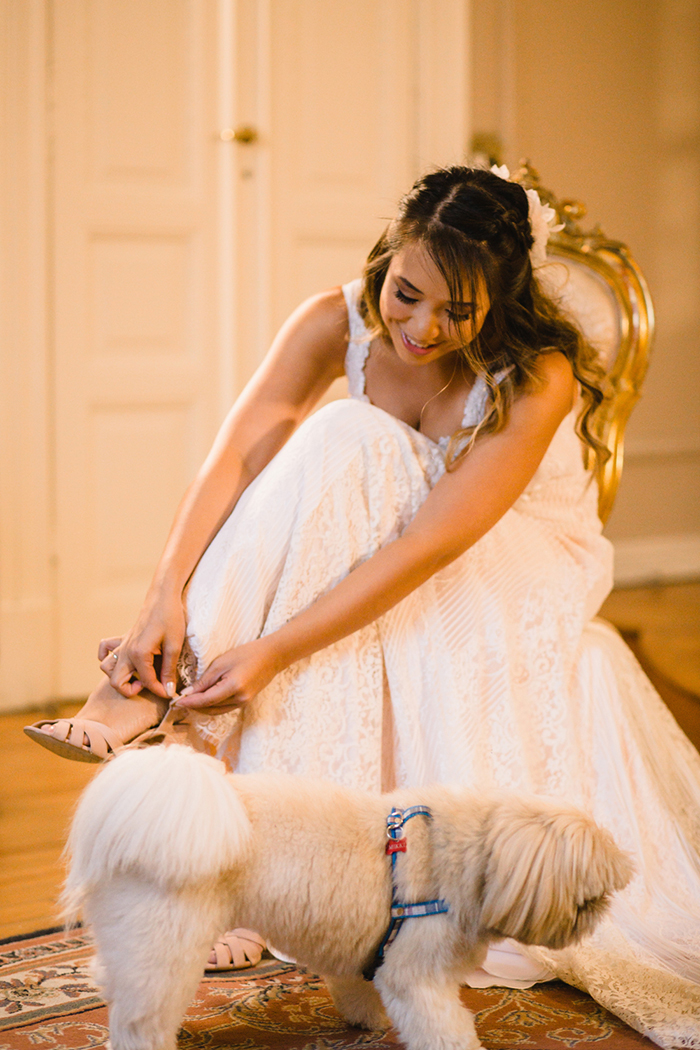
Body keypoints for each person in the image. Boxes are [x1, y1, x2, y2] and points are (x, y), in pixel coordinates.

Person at [26, 166, 700, 1046]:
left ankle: (165, 717)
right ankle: (169, 680)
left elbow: (430, 544)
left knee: (348, 438)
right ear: (386, 256)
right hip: (387, 539)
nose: (420, 330)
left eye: (458, 313)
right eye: (405, 294)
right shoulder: (330, 318)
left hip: (510, 562)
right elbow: (233, 460)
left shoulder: (541, 376)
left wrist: (267, 653)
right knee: (327, 447)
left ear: (501, 304)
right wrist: (163, 599)